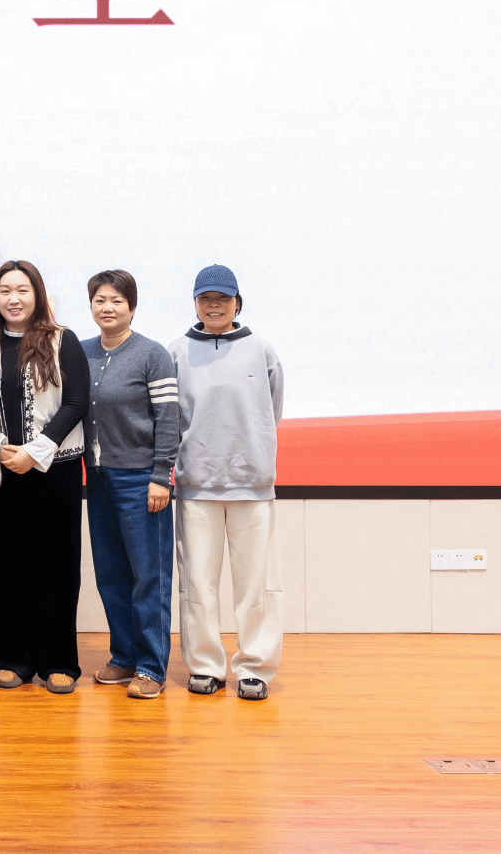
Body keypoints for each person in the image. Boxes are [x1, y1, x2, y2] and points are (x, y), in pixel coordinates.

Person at [171, 263, 287, 701]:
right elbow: (170, 418)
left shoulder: (261, 349)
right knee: (198, 584)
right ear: (195, 303)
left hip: (251, 484)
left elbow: (272, 410)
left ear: (238, 302)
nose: (214, 305)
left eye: (223, 298)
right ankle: (205, 665)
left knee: (257, 584)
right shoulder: (177, 351)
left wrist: (253, 451)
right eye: (206, 298)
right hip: (196, 485)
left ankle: (255, 667)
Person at [0, 259, 91, 694]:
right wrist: (0, 448)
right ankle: (14, 658)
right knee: (8, 566)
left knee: (58, 566)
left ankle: (59, 660)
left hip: (56, 470)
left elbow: (76, 402)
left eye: (22, 290)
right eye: (5, 291)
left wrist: (35, 452)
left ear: (37, 294)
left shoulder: (62, 340)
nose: (14, 299)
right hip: (1, 469)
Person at [80, 268, 182, 700]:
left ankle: (151, 667)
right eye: (100, 300)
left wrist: (161, 475)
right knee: (110, 575)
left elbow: (169, 420)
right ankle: (123, 658)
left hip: (141, 479)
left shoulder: (151, 354)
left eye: (117, 301)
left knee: (149, 577)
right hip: (98, 478)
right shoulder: (82, 351)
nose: (108, 308)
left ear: (132, 307)